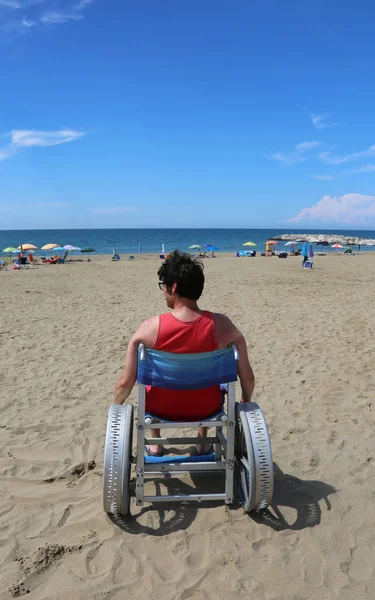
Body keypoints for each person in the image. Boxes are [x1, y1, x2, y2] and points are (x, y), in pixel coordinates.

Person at [114, 250, 255, 456]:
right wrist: (246, 400)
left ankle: (155, 443)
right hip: (208, 408)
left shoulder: (150, 328)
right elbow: (248, 376)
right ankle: (202, 440)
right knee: (206, 380)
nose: (163, 291)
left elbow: (126, 382)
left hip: (160, 408)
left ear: (174, 287)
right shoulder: (223, 326)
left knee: (150, 384)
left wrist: (115, 407)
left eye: (164, 286)